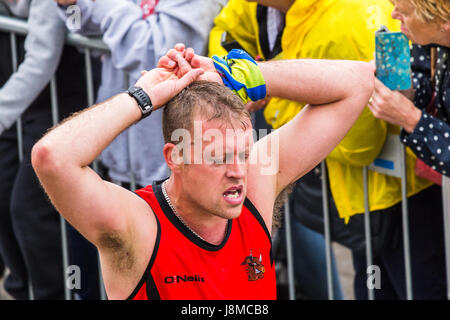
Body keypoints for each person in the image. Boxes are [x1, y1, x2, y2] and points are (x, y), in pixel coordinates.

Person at [31, 46, 374, 299]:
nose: (239, 171)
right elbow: (53, 156)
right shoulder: (140, 226)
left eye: (243, 152)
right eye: (219, 158)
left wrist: (236, 74)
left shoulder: (255, 184)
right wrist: (144, 95)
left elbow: (357, 83)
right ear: (175, 156)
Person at [209, 0, 344, 300]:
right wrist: (241, 80)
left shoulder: (330, 11)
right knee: (277, 227)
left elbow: (348, 77)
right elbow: (224, 33)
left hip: (312, 137)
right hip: (272, 129)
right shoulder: (251, 8)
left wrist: (260, 79)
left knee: (309, 227)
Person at [55, 0, 227, 189]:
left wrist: (109, 5)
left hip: (168, 160)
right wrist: (70, 5)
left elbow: (153, 54)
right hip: (122, 155)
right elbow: (80, 26)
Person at [0, 0, 95, 299]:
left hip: (60, 106)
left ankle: (57, 293)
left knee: (30, 209)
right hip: (19, 107)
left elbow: (41, 58)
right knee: (4, 196)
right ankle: (21, 288)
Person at [368, 0, 449, 176]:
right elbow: (427, 78)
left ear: (443, 19)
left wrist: (411, 119)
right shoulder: (429, 37)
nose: (393, 14)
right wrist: (407, 91)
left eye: (404, 12)